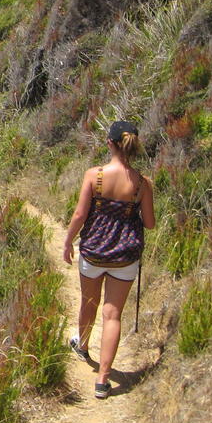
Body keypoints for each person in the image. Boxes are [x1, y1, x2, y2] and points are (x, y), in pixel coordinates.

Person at [62, 120, 155, 399]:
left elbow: (80, 215)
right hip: (125, 255)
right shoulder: (142, 184)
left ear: (110, 144)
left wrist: (68, 241)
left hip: (94, 250)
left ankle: (83, 346)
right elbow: (149, 223)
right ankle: (103, 380)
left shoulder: (95, 176)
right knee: (112, 315)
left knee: (89, 303)